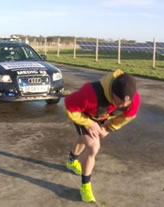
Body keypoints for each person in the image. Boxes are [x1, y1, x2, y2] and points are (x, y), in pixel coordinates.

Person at [63, 69, 141, 202]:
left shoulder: (132, 99)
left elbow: (129, 116)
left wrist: (109, 128)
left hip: (100, 115)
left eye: (125, 103)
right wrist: (87, 123)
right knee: (93, 145)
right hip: (82, 114)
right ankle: (85, 186)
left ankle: (71, 162)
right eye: (119, 101)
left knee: (84, 138)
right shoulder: (89, 93)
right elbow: (68, 105)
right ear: (112, 93)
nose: (122, 105)